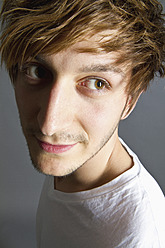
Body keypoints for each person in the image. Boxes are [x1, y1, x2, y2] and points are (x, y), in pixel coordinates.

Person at [0, 0, 165, 247]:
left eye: (96, 83)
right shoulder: (70, 159)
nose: (49, 125)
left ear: (129, 100)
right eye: (37, 71)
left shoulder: (136, 237)